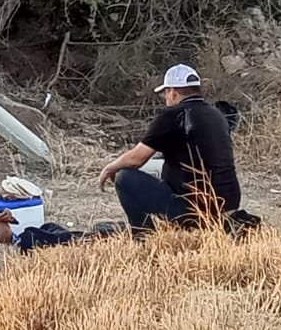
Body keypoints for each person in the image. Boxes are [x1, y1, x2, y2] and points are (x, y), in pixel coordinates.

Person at [98, 63, 242, 232]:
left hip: (195, 209)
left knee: (125, 177)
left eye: (165, 93)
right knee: (159, 166)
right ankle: (185, 227)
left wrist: (109, 168)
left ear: (172, 91)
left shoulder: (173, 115)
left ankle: (143, 234)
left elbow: (135, 159)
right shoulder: (217, 114)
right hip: (228, 204)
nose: (166, 99)